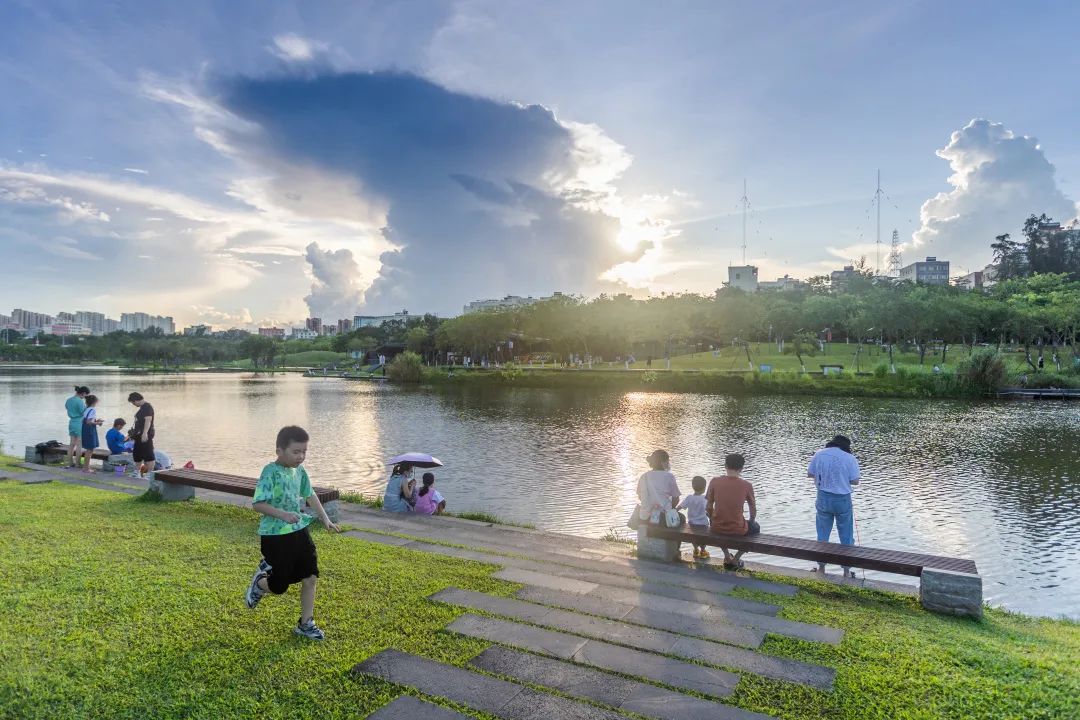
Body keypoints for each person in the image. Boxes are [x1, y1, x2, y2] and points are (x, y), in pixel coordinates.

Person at [244, 425, 340, 640]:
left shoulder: (299, 471)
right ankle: (260, 582)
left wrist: (325, 519)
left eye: (304, 451)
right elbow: (258, 504)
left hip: (299, 530)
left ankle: (306, 624)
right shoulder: (270, 472)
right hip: (275, 536)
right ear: (279, 451)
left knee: (311, 576)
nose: (301, 456)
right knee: (279, 587)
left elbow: (309, 494)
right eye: (296, 452)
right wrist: (282, 515)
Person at [807, 435, 861, 577]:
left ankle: (822, 568)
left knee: (822, 534)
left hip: (823, 497)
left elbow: (810, 474)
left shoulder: (819, 454)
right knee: (846, 536)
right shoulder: (850, 458)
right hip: (842, 499)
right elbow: (855, 481)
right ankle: (846, 571)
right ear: (846, 446)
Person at [705, 453, 759, 570]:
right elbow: (753, 508)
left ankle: (727, 557)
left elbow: (708, 506)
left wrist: (712, 518)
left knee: (715, 525)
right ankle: (736, 559)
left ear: (725, 465)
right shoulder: (747, 485)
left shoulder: (714, 481)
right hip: (738, 529)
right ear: (741, 468)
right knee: (756, 528)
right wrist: (752, 521)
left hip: (717, 527)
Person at [636, 449, 681, 525]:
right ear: (662, 462)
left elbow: (640, 496)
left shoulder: (644, 476)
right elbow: (676, 498)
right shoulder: (669, 476)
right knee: (681, 518)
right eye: (667, 461)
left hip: (645, 516)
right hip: (663, 517)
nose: (668, 463)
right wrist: (671, 509)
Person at [677, 476, 710, 559]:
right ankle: (703, 551)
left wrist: (673, 511)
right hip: (703, 524)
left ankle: (695, 550)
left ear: (692, 486)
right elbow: (709, 510)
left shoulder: (689, 498)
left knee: (693, 538)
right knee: (704, 538)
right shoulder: (704, 498)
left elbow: (679, 507)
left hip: (692, 523)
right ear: (704, 488)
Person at [127, 392, 156, 478]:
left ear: (136, 400)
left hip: (145, 434)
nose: (133, 404)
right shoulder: (142, 407)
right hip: (138, 435)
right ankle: (137, 472)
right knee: (137, 453)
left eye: (133, 403)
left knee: (148, 453)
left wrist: (145, 433)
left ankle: (150, 474)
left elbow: (148, 420)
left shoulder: (147, 407)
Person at [64, 386, 89, 468]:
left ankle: (70, 463)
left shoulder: (69, 400)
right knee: (79, 445)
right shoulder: (80, 401)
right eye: (85, 395)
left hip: (71, 423)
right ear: (83, 393)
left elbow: (67, 408)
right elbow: (83, 413)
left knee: (71, 444)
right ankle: (78, 464)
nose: (85, 397)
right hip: (79, 423)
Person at [79, 395, 105, 473]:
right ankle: (86, 469)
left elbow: (87, 420)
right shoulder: (92, 410)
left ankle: (86, 467)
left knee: (89, 449)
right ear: (94, 402)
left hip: (85, 429)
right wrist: (98, 423)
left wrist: (96, 420)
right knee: (90, 449)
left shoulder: (87, 409)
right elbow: (89, 422)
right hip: (89, 430)